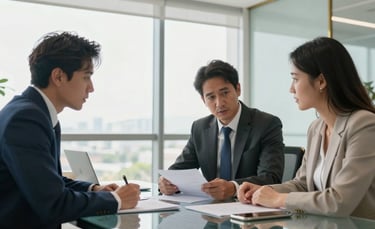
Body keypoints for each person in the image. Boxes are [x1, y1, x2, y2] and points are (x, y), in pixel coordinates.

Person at [0, 31, 140, 228]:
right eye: (86, 77)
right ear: (58, 76)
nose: (91, 88)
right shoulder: (26, 119)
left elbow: (49, 181)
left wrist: (94, 189)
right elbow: (54, 204)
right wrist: (116, 200)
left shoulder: (35, 111)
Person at [237, 37, 375, 220]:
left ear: (321, 82)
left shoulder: (364, 124)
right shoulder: (316, 128)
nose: (291, 89)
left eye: (295, 79)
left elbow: (340, 201)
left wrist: (278, 199)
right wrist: (265, 191)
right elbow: (302, 184)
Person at [159, 59, 284, 200]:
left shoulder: (266, 124)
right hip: (211, 212)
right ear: (203, 100)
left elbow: (271, 178)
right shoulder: (200, 128)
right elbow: (179, 171)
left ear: (238, 89)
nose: (219, 103)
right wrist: (166, 182)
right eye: (211, 97)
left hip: (250, 210)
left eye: (224, 93)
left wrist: (233, 188)